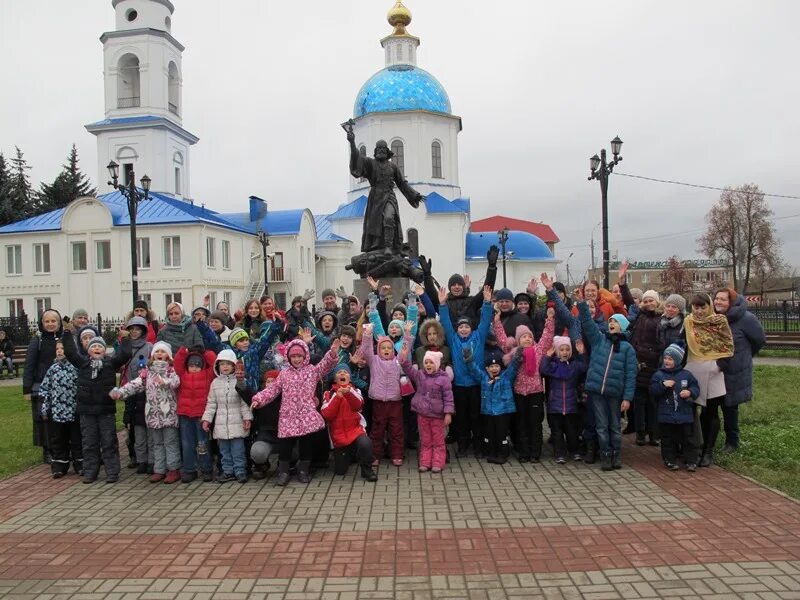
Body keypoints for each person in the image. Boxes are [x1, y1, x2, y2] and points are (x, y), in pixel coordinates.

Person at [251, 338, 341, 485]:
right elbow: (272, 390)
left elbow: (325, 366)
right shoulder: (284, 374)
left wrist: (331, 354)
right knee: (285, 445)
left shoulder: (312, 371)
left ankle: (303, 470)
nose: (297, 359)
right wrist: (258, 399)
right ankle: (283, 472)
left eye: (299, 356)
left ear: (305, 357)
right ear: (288, 357)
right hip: (288, 415)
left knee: (306, 444)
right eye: (293, 356)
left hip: (306, 414)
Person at [493, 278, 555, 463]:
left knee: (535, 424)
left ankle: (536, 453)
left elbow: (546, 336)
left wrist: (550, 320)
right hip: (519, 392)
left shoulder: (538, 349)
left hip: (535, 392)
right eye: (523, 337)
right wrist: (497, 322)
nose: (527, 339)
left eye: (529, 336)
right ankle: (524, 451)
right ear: (518, 340)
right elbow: (503, 340)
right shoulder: (513, 352)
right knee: (521, 423)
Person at [62, 327, 131, 483]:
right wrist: (67, 334)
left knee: (109, 442)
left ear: (105, 350)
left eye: (100, 346)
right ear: (88, 350)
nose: (97, 348)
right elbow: (71, 352)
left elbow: (125, 354)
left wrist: (125, 338)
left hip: (105, 410)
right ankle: (90, 472)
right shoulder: (83, 363)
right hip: (87, 411)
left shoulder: (110, 363)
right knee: (89, 443)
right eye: (93, 346)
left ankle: (112, 472)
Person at [577, 301, 637, 471]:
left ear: (623, 327)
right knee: (601, 426)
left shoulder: (627, 349)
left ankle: (616, 454)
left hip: (615, 393)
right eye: (610, 321)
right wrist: (582, 305)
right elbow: (588, 324)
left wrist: (627, 398)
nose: (611, 324)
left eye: (615, 322)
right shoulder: (599, 340)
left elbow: (631, 375)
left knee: (615, 427)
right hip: (596, 392)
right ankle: (605, 454)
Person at [112, 341, 181, 484]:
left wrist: (165, 382)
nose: (159, 354)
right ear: (152, 355)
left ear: (168, 355)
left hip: (168, 414)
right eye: (157, 351)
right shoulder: (147, 372)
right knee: (157, 443)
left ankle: (173, 469)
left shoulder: (172, 369)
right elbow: (135, 384)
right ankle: (159, 469)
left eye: (163, 352)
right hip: (153, 414)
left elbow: (176, 382)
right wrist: (121, 392)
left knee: (170, 442)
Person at [347, 130, 425, 254]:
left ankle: (389, 246)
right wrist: (352, 142)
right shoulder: (370, 163)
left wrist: (414, 195)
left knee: (389, 218)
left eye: (383, 148)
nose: (381, 150)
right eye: (379, 148)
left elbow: (402, 183)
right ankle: (377, 246)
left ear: (387, 150)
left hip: (389, 196)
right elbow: (358, 162)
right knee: (375, 224)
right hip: (376, 198)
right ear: (375, 150)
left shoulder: (393, 167)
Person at [439, 284, 494, 457]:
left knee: (476, 416)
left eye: (466, 326)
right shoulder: (453, 338)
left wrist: (486, 303)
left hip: (476, 385)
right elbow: (446, 323)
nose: (463, 329)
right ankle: (463, 445)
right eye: (461, 327)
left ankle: (478, 445)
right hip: (460, 385)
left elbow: (485, 321)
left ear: (471, 328)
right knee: (461, 418)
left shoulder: (479, 336)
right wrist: (442, 305)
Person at [683, 293, 734, 467]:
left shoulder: (719, 321)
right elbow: (682, 344)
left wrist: (719, 365)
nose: (699, 311)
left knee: (710, 413)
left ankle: (707, 452)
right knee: (689, 411)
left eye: (702, 307)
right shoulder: (688, 322)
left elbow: (727, 345)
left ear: (709, 306)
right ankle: (692, 448)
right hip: (692, 368)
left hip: (713, 371)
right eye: (696, 307)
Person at [713, 288, 766, 454]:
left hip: (735, 370)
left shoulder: (746, 319)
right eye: (716, 299)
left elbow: (759, 340)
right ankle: (710, 440)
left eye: (723, 299)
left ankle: (732, 441)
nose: (718, 302)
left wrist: (743, 357)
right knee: (712, 406)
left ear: (732, 302)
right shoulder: (713, 319)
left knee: (730, 407)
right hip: (715, 370)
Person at [399, 325, 454, 473]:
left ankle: (437, 463)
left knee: (438, 440)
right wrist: (404, 357)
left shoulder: (444, 378)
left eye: (431, 363)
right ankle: (425, 462)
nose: (428, 365)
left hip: (437, 415)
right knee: (425, 440)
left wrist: (448, 413)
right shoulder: (420, 375)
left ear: (437, 364)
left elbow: (448, 397)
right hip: (423, 415)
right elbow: (408, 369)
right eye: (426, 362)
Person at [201, 349, 253, 483]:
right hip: (221, 424)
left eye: (228, 364)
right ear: (218, 366)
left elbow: (244, 403)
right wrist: (207, 419)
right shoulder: (215, 383)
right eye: (222, 364)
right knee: (224, 451)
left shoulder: (240, 381)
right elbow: (211, 403)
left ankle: (240, 471)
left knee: (238, 450)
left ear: (234, 366)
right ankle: (228, 471)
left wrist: (247, 418)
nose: (225, 367)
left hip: (237, 423)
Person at [320, 364, 378, 482]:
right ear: (335, 378)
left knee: (365, 443)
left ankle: (367, 470)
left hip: (355, 431)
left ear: (350, 378)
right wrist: (338, 397)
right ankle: (351, 455)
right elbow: (327, 414)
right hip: (338, 437)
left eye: (345, 372)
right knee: (340, 471)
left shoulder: (355, 391)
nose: (342, 374)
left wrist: (348, 393)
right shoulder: (328, 394)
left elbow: (358, 406)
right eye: (339, 372)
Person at [466, 345, 522, 464]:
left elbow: (513, 368)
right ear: (487, 368)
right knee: (490, 433)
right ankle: (491, 452)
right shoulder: (483, 378)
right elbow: (474, 370)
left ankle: (503, 453)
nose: (494, 368)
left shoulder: (506, 377)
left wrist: (517, 358)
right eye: (491, 366)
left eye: (496, 366)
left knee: (501, 433)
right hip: (488, 412)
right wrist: (469, 360)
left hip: (503, 412)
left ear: (500, 367)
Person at [360, 322, 406, 466]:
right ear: (379, 349)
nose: (386, 350)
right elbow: (366, 349)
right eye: (383, 347)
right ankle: (375, 454)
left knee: (396, 429)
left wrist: (408, 335)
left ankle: (397, 454)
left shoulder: (398, 362)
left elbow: (405, 349)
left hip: (395, 401)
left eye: (389, 348)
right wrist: (367, 334)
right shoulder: (374, 361)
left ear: (393, 350)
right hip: (379, 401)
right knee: (377, 430)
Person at [651, 344, 701, 471]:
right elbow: (653, 391)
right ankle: (669, 460)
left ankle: (691, 461)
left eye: (670, 359)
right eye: (665, 358)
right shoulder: (659, 375)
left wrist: (690, 392)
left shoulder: (686, 375)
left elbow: (695, 386)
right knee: (668, 439)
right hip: (666, 415)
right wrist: (663, 386)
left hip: (684, 414)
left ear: (678, 360)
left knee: (687, 438)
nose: (667, 361)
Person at [24, 310, 65, 464]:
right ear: (42, 323)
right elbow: (29, 365)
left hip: (61, 385)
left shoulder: (63, 340)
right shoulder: (37, 341)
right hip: (42, 385)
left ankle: (60, 448)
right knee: (44, 418)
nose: (50, 324)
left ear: (59, 323)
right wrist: (27, 389)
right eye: (47, 321)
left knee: (59, 418)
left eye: (53, 321)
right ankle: (47, 450)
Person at [540, 337, 588, 463]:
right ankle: (559, 453)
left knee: (572, 431)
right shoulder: (553, 365)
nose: (565, 352)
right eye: (561, 350)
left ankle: (574, 451)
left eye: (567, 349)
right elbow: (543, 369)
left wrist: (582, 353)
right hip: (555, 405)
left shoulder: (574, 365)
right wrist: (547, 356)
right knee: (557, 432)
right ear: (557, 351)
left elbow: (584, 367)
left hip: (571, 405)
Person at [174, 345, 217, 483]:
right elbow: (177, 363)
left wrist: (206, 352)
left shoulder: (207, 374)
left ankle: (206, 469)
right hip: (185, 414)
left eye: (197, 365)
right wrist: (184, 351)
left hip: (201, 415)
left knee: (202, 443)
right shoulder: (182, 374)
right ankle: (189, 469)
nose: (194, 367)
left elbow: (214, 363)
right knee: (187, 444)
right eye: (191, 364)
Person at [39, 340, 82, 478]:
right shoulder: (52, 369)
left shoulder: (75, 368)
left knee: (76, 439)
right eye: (57, 348)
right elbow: (45, 390)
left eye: (63, 348)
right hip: (57, 412)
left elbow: (82, 388)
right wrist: (45, 409)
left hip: (74, 411)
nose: (59, 351)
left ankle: (80, 464)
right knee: (58, 440)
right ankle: (59, 465)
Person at [627, 289, 664, 446]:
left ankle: (654, 433)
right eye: (646, 301)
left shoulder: (661, 319)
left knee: (653, 402)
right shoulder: (639, 317)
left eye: (651, 300)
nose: (649, 303)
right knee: (639, 402)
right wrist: (623, 285)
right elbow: (629, 301)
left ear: (657, 302)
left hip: (654, 364)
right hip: (639, 364)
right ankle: (640, 433)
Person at [117, 316, 153, 471]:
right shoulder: (124, 346)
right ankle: (136, 457)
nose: (134, 332)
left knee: (147, 425)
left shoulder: (149, 347)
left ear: (143, 331)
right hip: (130, 389)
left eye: (137, 329)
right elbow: (116, 361)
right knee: (132, 425)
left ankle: (150, 458)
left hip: (145, 390)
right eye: (131, 329)